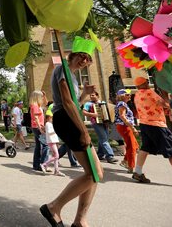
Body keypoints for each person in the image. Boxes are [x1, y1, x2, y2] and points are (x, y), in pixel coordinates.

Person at [40, 37, 103, 227]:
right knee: (95, 173)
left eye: (87, 59)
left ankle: (80, 220)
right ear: (73, 55)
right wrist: (83, 130)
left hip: (68, 119)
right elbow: (67, 103)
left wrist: (84, 94)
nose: (84, 61)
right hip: (66, 120)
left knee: (93, 172)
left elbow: (75, 103)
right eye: (81, 56)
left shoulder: (71, 75)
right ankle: (53, 207)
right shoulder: (63, 69)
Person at [83, 92, 118, 163]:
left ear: (97, 96)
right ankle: (110, 156)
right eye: (90, 95)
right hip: (96, 122)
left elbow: (108, 112)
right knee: (104, 139)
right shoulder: (88, 104)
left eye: (93, 95)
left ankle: (100, 154)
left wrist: (109, 121)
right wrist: (93, 114)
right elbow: (84, 112)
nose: (91, 96)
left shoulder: (103, 103)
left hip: (105, 123)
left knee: (102, 138)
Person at [114, 89, 139, 173]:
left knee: (134, 145)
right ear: (122, 96)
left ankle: (125, 161)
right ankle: (130, 166)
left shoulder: (123, 104)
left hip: (124, 126)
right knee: (131, 146)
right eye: (127, 94)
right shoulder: (122, 103)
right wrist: (133, 128)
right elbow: (122, 116)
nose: (130, 96)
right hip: (124, 126)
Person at [30, 90, 49, 171]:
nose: (42, 98)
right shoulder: (35, 106)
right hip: (37, 127)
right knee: (46, 145)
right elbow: (36, 118)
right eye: (41, 96)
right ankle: (43, 164)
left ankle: (36, 165)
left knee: (38, 146)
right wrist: (40, 128)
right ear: (37, 97)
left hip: (36, 127)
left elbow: (46, 103)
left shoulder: (37, 105)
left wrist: (44, 95)